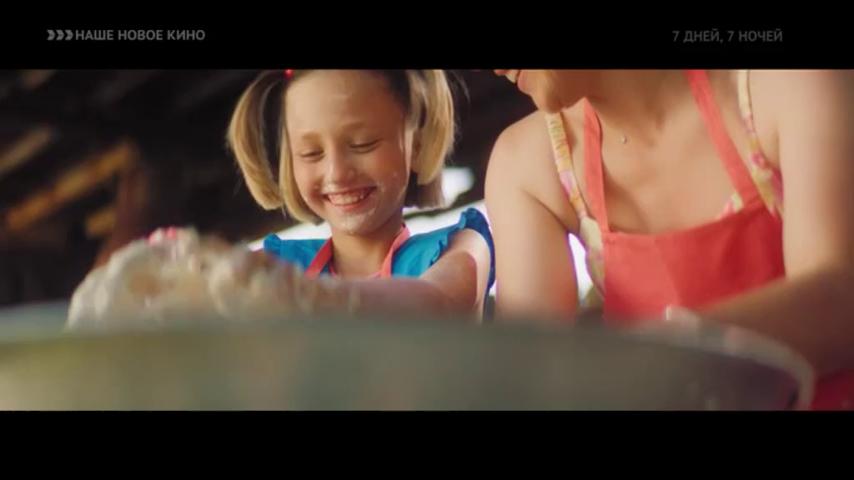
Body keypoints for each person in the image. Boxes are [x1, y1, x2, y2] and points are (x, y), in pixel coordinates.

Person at [485, 69, 854, 409]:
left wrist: (665, 358)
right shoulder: (526, 165)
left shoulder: (789, 84)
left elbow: (841, 302)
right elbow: (530, 385)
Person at [227, 69, 494, 318]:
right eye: (311, 153)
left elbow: (437, 302)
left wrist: (302, 294)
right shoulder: (274, 265)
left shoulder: (460, 250)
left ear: (417, 146)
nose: (337, 173)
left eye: (362, 144)